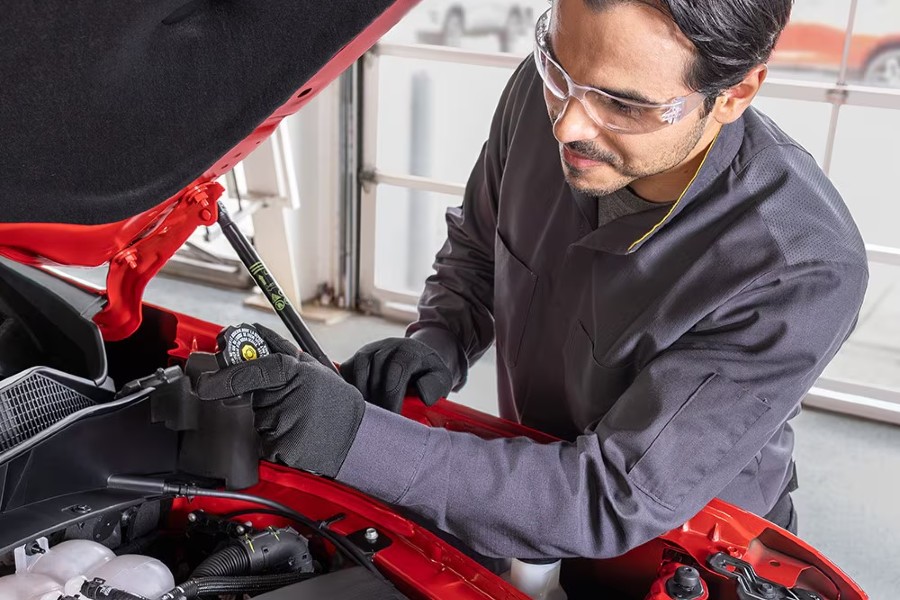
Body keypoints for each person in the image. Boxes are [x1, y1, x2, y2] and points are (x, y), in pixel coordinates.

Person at [197, 0, 868, 560]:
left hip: (681, 548)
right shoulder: (544, 92)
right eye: (559, 67)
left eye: (623, 106)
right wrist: (437, 340)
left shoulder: (798, 266)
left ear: (737, 92)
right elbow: (481, 246)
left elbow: (610, 498)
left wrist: (349, 437)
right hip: (529, 486)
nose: (569, 124)